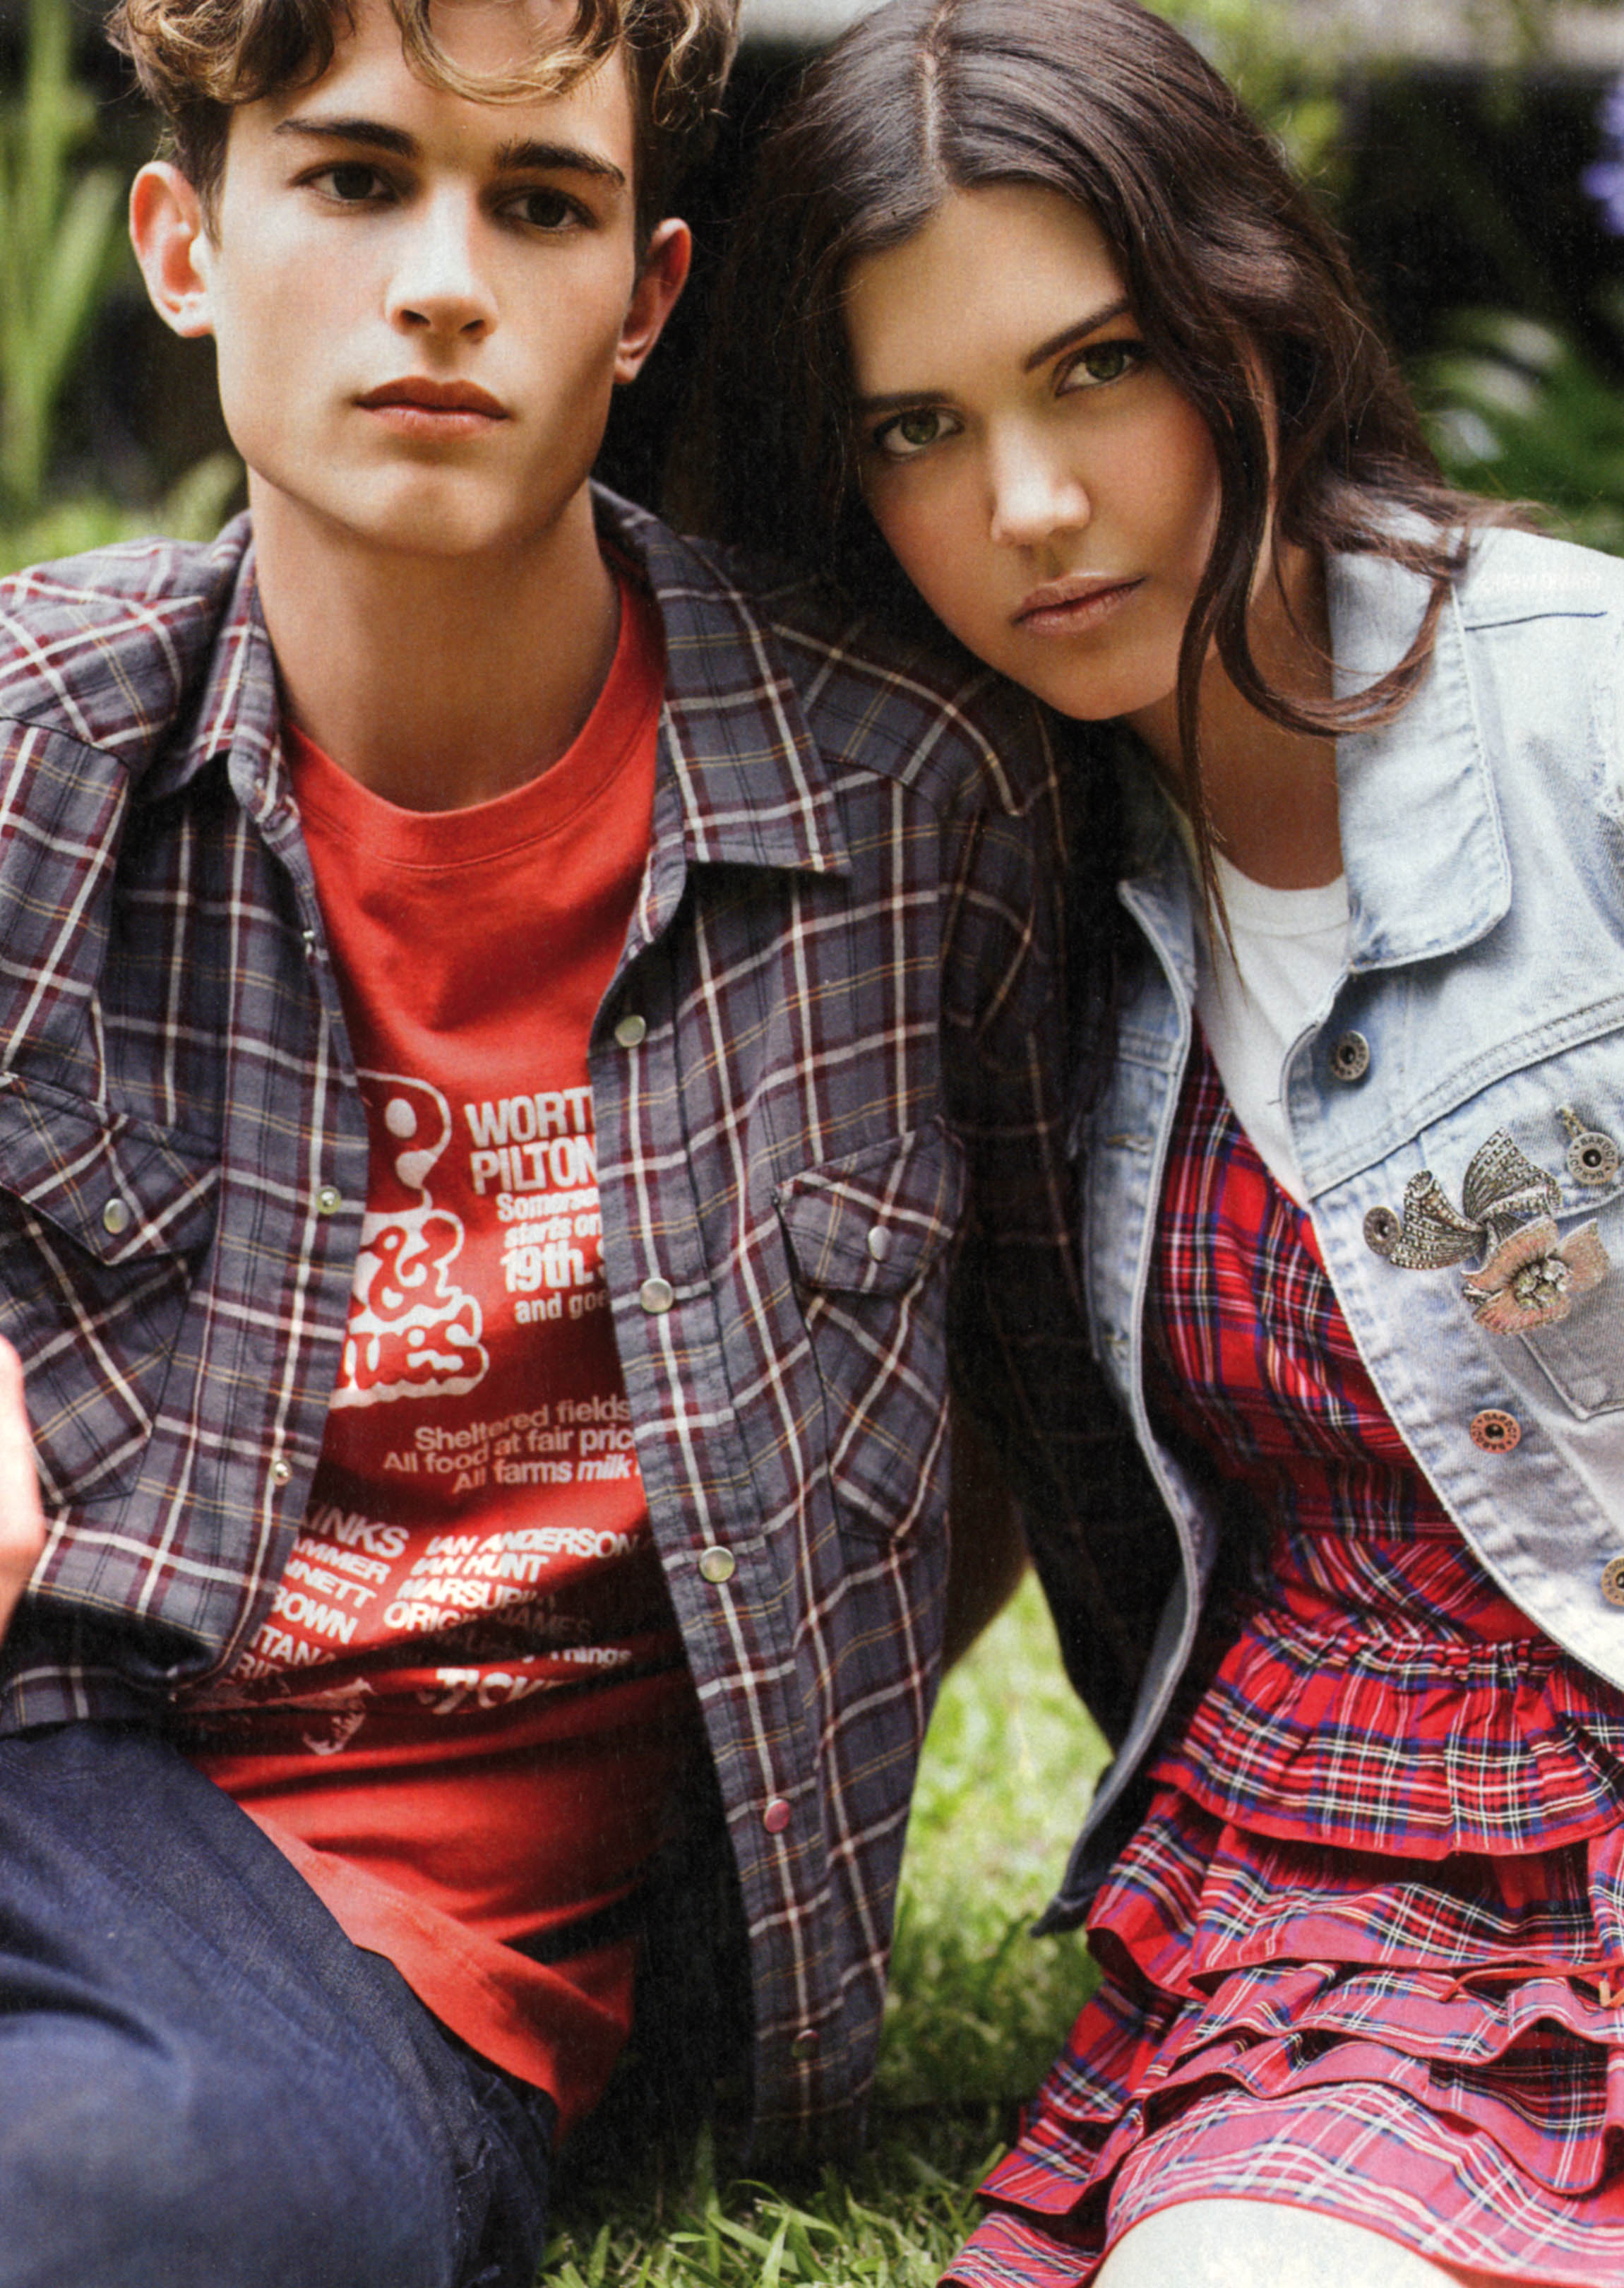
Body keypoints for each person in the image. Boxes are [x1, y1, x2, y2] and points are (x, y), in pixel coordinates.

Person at [0, 0, 1132, 2276]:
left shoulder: (906, 805)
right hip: (54, 1754)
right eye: (352, 178)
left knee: (156, 2202)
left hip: (387, 1959)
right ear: (185, 245)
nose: (442, 282)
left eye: (536, 204)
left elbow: (1096, 1452)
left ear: (645, 297)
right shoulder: (40, 740)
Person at [695, 0, 1624, 2282]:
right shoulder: (976, 880)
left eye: (1092, 369)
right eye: (919, 428)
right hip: (1378, 1853)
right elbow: (920, 1467)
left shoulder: (1580, 711)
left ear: (1247, 330)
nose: (1024, 505)